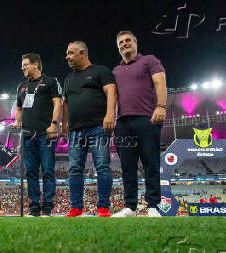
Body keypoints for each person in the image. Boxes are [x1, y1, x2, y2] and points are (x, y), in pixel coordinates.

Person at [111, 31, 167, 217]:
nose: (124, 44)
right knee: (127, 166)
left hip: (147, 118)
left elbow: (160, 82)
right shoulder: (116, 71)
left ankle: (153, 205)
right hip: (123, 122)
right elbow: (113, 97)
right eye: (120, 42)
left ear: (135, 43)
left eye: (127, 40)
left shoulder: (149, 60)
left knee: (151, 162)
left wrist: (161, 106)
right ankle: (130, 206)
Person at [61, 41, 117, 217]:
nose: (67, 57)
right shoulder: (69, 78)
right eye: (67, 54)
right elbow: (66, 103)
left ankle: (103, 207)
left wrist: (109, 115)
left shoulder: (101, 71)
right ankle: (76, 207)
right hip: (75, 130)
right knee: (75, 168)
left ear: (82, 53)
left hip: (98, 127)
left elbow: (111, 91)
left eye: (70, 53)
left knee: (102, 166)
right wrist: (64, 125)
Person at [13, 53, 62, 217]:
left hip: (45, 134)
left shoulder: (51, 81)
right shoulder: (21, 86)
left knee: (48, 170)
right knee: (31, 172)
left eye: (25, 64)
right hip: (27, 136)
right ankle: (34, 208)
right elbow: (19, 109)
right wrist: (16, 123)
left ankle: (47, 208)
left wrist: (54, 124)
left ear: (36, 64)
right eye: (22, 65)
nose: (22, 68)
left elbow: (58, 103)